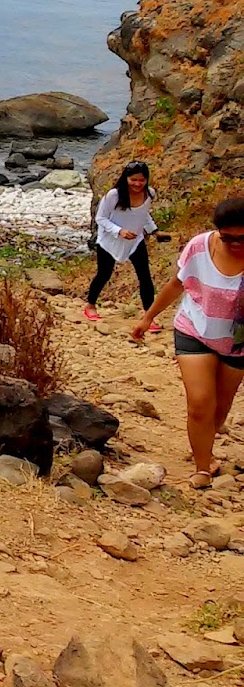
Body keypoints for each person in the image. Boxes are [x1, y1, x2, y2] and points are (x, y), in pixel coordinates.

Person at [132, 197, 244, 488]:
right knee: (199, 404)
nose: (235, 244)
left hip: (237, 343)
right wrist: (148, 318)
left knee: (220, 407)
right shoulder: (200, 246)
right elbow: (177, 284)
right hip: (194, 329)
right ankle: (202, 467)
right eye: (228, 237)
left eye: (241, 238)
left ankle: (206, 441)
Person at [84, 161, 158, 322]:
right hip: (110, 241)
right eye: (133, 180)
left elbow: (143, 215)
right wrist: (119, 231)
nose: (138, 184)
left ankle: (149, 315)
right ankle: (90, 304)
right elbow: (101, 218)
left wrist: (154, 230)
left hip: (135, 241)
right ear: (126, 178)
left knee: (144, 276)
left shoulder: (149, 194)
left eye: (141, 180)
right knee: (104, 274)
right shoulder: (114, 195)